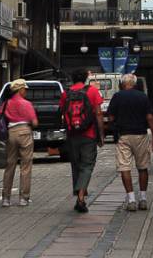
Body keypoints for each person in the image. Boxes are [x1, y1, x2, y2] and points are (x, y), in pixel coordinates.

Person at [107, 73, 153, 212]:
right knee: (143, 167)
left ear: (122, 84)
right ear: (135, 84)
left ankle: (131, 200)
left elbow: (111, 117)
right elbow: (150, 117)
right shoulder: (142, 96)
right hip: (141, 135)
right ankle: (143, 199)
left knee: (125, 167)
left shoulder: (117, 96)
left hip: (123, 136)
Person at [60, 68, 104, 213]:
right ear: (86, 78)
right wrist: (101, 135)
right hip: (89, 134)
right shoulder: (92, 91)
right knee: (87, 165)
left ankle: (79, 194)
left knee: (76, 165)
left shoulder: (65, 93)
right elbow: (98, 113)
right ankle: (80, 198)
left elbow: (62, 112)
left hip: (72, 134)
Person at [1, 78, 39, 207]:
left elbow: (0, 116)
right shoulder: (26, 104)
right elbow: (34, 122)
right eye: (25, 89)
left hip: (11, 133)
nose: (26, 91)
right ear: (20, 89)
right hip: (24, 132)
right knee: (26, 166)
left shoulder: (6, 103)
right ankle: (24, 198)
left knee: (10, 165)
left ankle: (6, 199)